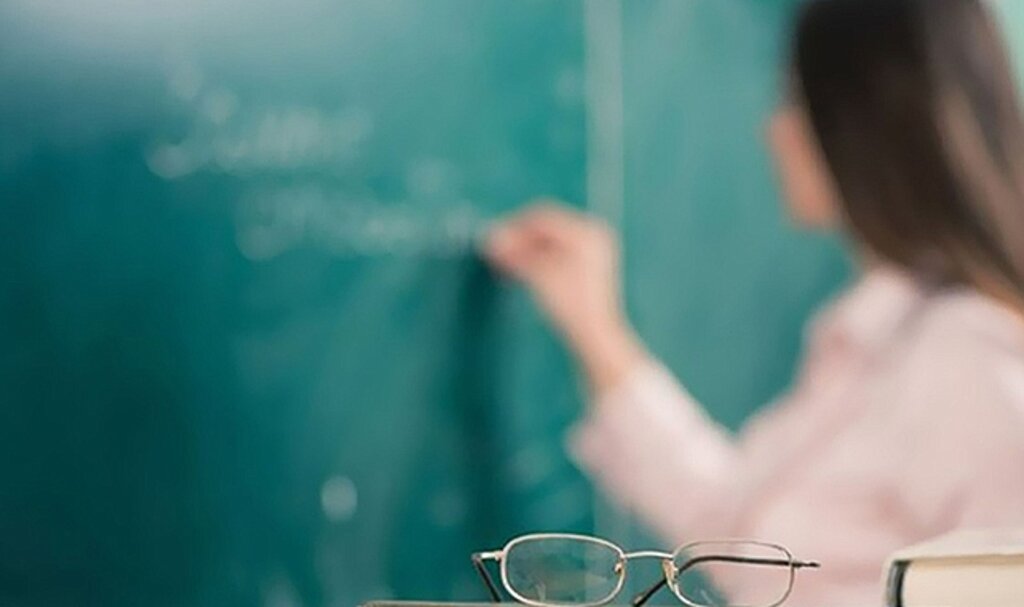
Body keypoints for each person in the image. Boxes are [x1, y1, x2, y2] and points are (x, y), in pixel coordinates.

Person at [484, 0, 1024, 605]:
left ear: (865, 120)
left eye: (795, 99)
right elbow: (737, 534)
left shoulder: (969, 366)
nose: (774, 129)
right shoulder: (875, 337)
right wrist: (596, 330)